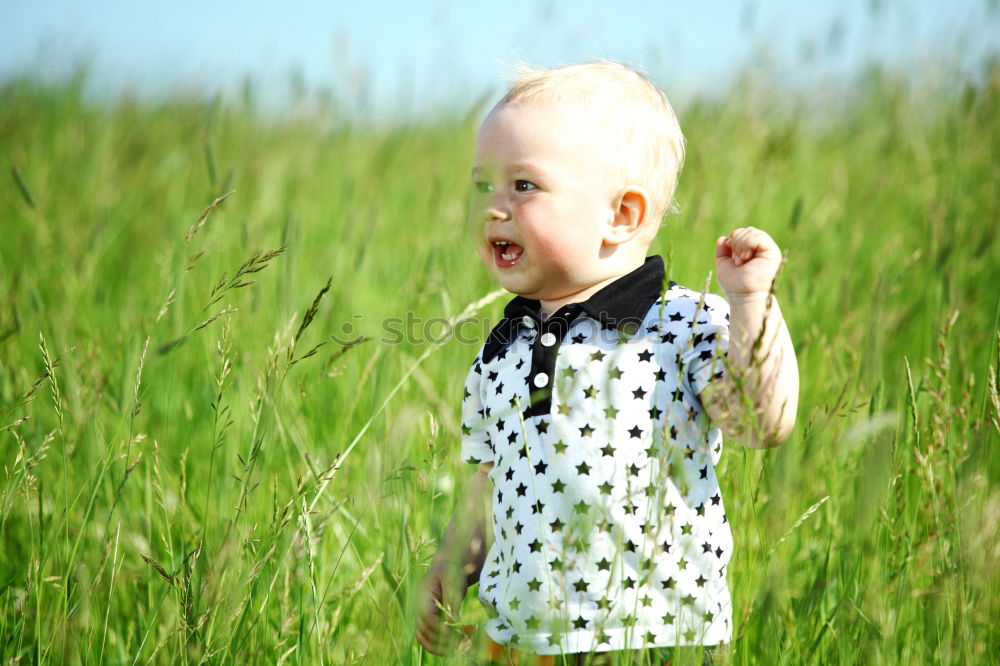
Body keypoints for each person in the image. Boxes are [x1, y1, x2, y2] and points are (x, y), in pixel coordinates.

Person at [416, 61, 799, 665]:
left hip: (652, 633)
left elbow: (761, 421)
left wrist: (750, 303)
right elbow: (490, 479)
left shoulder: (679, 324)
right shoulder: (502, 347)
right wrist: (450, 565)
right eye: (482, 186)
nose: (494, 207)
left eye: (523, 186)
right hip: (519, 635)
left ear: (620, 215)